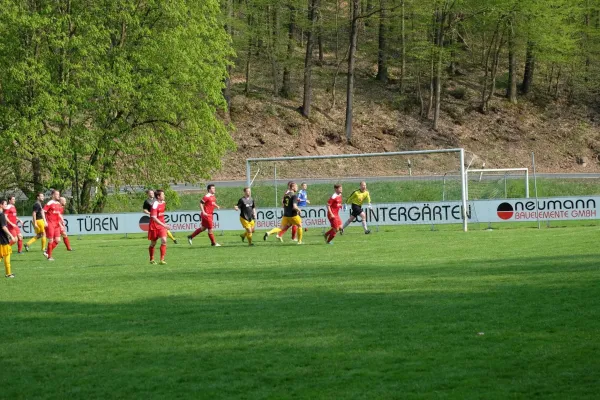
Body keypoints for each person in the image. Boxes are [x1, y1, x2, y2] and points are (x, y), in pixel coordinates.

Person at [148, 190, 170, 264]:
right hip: (154, 226)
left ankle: (162, 260)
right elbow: (154, 218)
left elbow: (161, 215)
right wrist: (164, 225)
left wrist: (163, 225)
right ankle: (151, 259)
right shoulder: (155, 205)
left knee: (164, 240)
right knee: (153, 243)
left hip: (161, 225)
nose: (164, 196)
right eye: (163, 195)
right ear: (158, 196)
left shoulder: (163, 203)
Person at [43, 190, 63, 261]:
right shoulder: (50, 203)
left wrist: (61, 220)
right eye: (57, 194)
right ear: (53, 195)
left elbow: (58, 213)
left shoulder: (58, 203)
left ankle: (47, 251)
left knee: (58, 240)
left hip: (56, 224)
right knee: (51, 240)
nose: (58, 196)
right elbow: (43, 211)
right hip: (50, 223)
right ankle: (49, 256)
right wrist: (45, 221)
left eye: (59, 194)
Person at [0, 205, 15, 278]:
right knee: (7, 255)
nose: (6, 205)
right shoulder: (1, 214)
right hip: (3, 239)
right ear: (1, 205)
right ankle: (8, 273)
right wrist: (11, 235)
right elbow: (3, 227)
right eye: (5, 204)